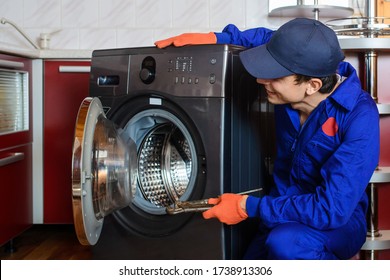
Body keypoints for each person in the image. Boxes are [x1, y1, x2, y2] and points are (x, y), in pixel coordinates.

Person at [155, 18, 380, 260]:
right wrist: (216, 38)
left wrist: (247, 207)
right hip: (281, 208)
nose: (262, 80)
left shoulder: (359, 116)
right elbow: (266, 39)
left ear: (312, 85)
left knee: (286, 244)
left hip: (337, 222)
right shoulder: (296, 74)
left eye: (274, 76)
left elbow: (331, 209)